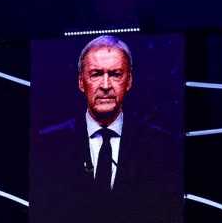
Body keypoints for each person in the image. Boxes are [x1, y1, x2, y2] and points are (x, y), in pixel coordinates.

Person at [33, 35, 177, 208]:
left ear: (129, 81)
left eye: (115, 74)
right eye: (96, 74)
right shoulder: (49, 143)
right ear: (81, 82)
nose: (106, 85)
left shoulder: (160, 144)